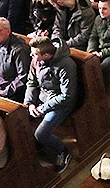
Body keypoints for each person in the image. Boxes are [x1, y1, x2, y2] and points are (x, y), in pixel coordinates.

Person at [24, 37, 76, 174]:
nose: (31, 56)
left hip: (61, 104)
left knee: (41, 133)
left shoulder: (66, 64)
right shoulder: (36, 61)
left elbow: (67, 96)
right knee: (17, 119)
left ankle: (63, 151)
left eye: (34, 54)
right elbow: (31, 83)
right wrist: (29, 104)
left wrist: (43, 108)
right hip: (42, 100)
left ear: (46, 55)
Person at [0, 17, 31, 102]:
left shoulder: (19, 50)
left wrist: (5, 92)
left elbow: (23, 76)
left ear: (8, 31)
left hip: (13, 93)